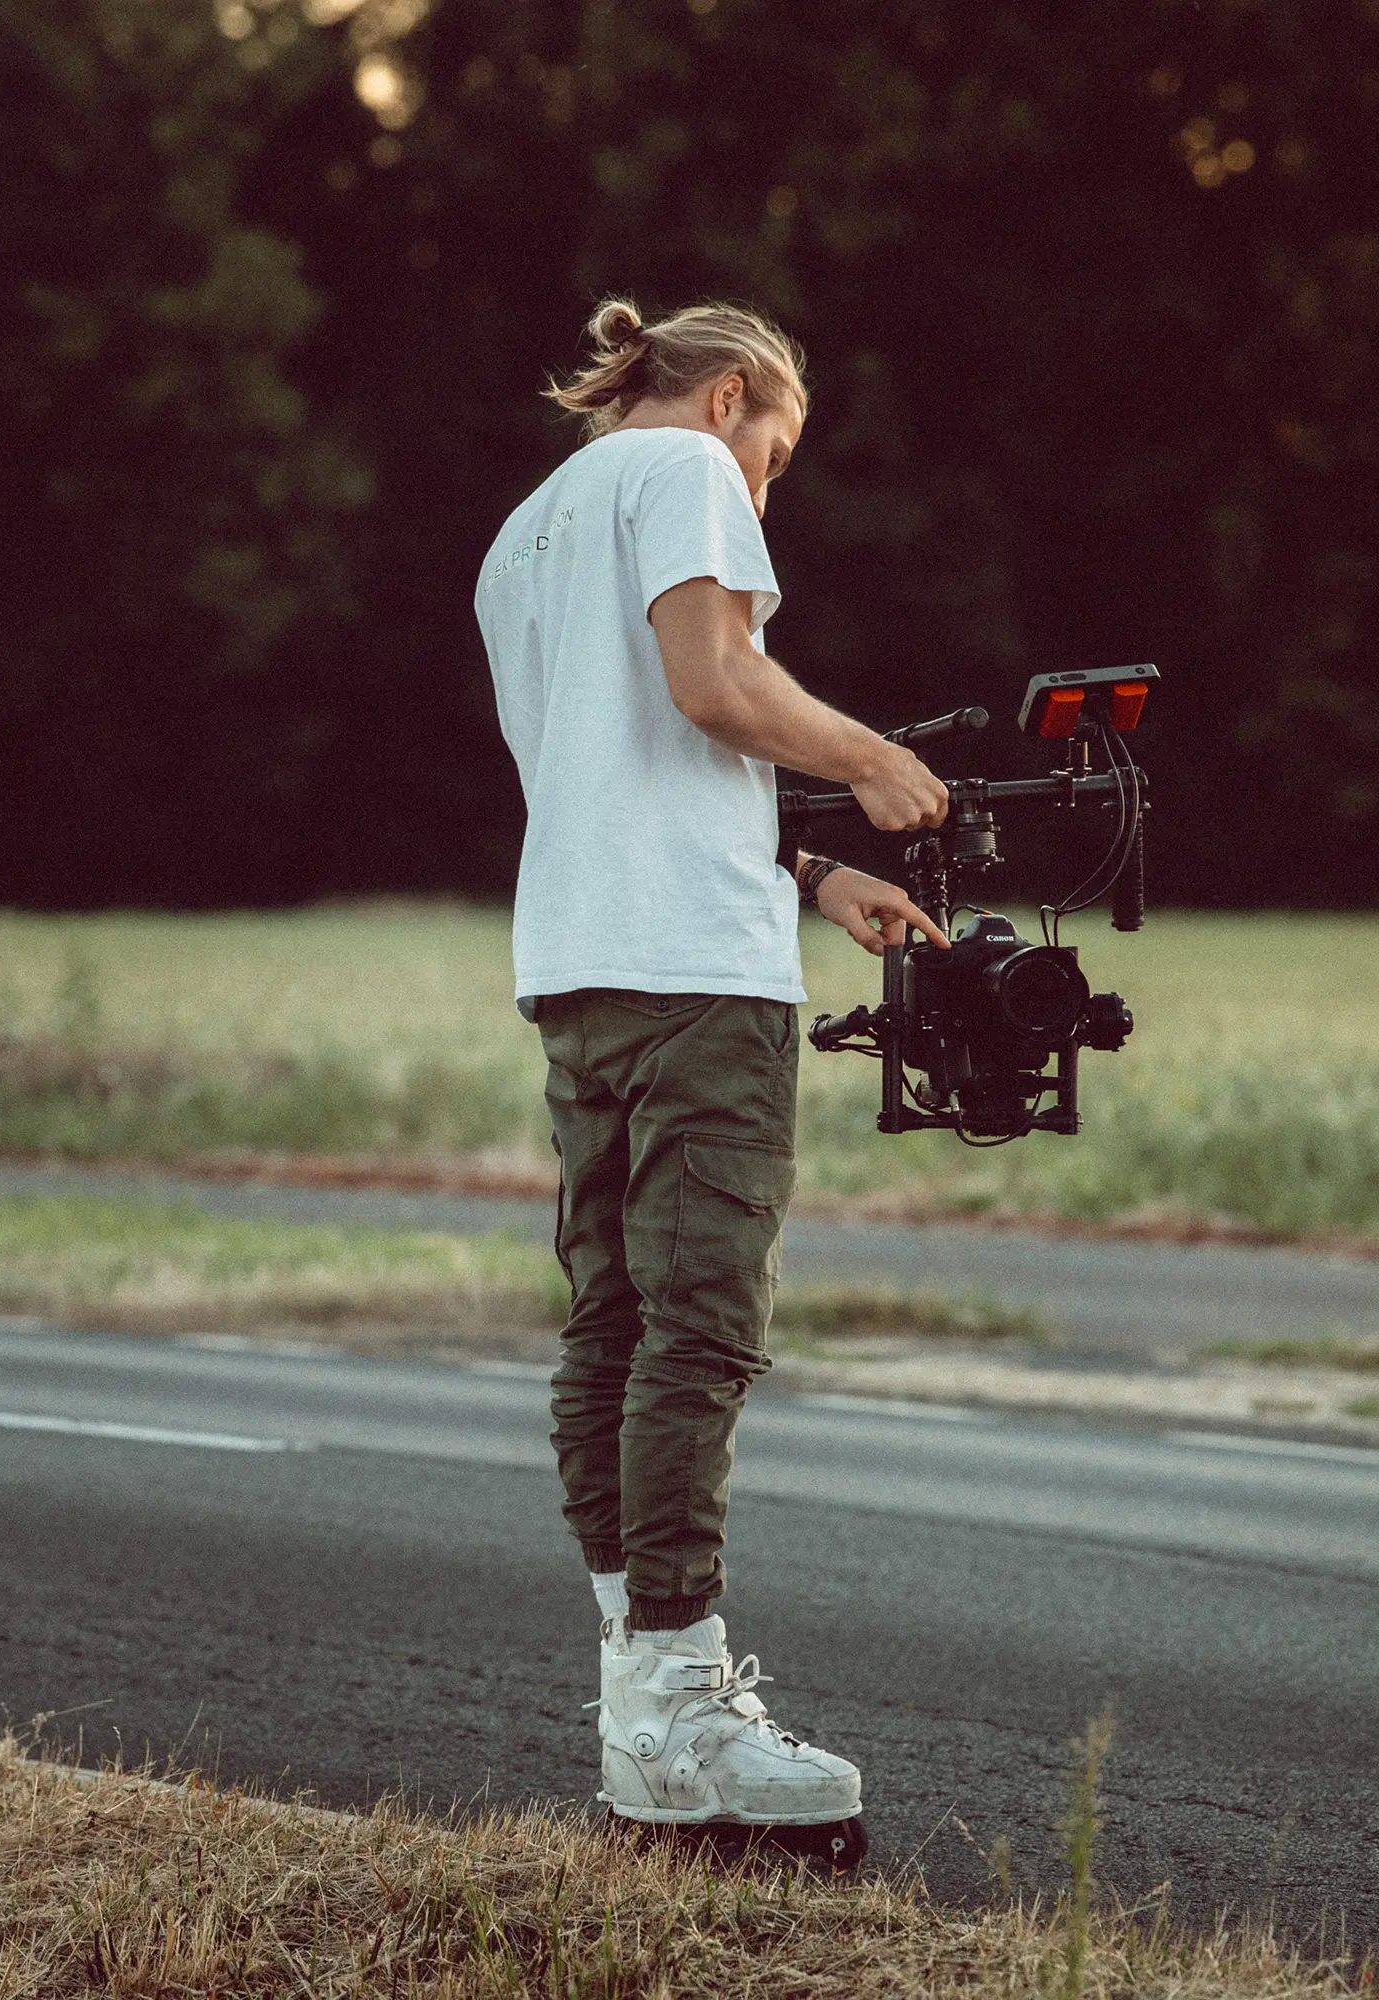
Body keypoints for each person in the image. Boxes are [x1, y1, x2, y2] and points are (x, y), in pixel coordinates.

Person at [473, 298, 948, 1840]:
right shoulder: (679, 474)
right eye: (778, 454)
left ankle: (640, 1694)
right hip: (694, 980)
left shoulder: (527, 530)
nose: (766, 492)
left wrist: (816, 875)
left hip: (582, 965)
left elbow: (643, 775)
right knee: (704, 1327)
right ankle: (681, 1702)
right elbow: (714, 689)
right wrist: (871, 760)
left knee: (613, 1321)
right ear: (729, 395)